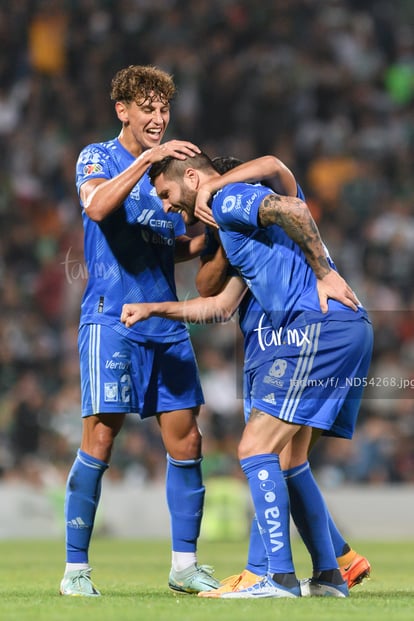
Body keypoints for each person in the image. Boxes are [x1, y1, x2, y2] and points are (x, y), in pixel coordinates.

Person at [121, 151, 373, 598]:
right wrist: (154, 308)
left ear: (194, 177)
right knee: (285, 459)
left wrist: (324, 273)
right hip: (338, 330)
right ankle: (332, 573)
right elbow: (216, 304)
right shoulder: (247, 235)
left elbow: (293, 205)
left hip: (316, 328)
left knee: (257, 447)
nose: (165, 206)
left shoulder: (228, 198)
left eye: (165, 193)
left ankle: (274, 576)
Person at [59, 65, 221, 597]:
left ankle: (184, 565)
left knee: (188, 438)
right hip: (109, 316)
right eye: (146, 108)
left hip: (162, 317)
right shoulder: (97, 158)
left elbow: (166, 245)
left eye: (163, 108)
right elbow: (98, 205)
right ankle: (76, 571)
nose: (157, 118)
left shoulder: (167, 176)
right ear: (122, 110)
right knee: (101, 438)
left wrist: (213, 241)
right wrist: (149, 159)